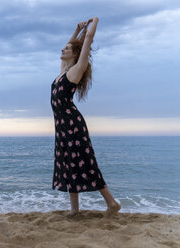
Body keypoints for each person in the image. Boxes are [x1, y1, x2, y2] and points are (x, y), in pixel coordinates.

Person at [50, 17, 121, 217]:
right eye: (63, 48)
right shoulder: (62, 73)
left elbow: (87, 42)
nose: (62, 50)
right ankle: (74, 211)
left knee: (86, 163)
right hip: (62, 128)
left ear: (75, 54)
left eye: (67, 49)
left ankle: (112, 203)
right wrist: (76, 30)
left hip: (73, 126)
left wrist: (93, 23)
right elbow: (72, 45)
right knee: (69, 165)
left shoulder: (75, 71)